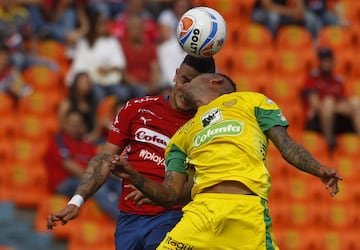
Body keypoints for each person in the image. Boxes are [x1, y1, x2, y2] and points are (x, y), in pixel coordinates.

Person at [107, 73, 342, 249]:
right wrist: (135, 176)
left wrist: (318, 169)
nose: (182, 83)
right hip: (200, 213)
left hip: (245, 212)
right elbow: (171, 194)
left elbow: (287, 145)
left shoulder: (251, 102)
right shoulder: (181, 135)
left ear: (215, 82)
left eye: (192, 79)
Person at [46, 55, 216, 249]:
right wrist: (76, 201)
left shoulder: (207, 126)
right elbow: (104, 159)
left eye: (195, 87)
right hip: (129, 219)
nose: (187, 91)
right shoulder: (137, 108)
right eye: (185, 81)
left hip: (173, 217)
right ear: (176, 75)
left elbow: (201, 183)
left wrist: (161, 193)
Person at [44, 108, 121, 219]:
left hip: (87, 177)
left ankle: (132, 216)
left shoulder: (86, 143)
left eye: (77, 124)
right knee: (97, 188)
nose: (74, 127)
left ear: (82, 126)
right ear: (65, 124)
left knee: (117, 184)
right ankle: (120, 218)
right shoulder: (58, 140)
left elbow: (98, 163)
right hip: (65, 182)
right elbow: (69, 166)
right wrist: (96, 179)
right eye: (71, 124)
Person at [301, 47, 360, 151]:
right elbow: (315, 104)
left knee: (356, 102)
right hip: (317, 120)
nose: (326, 63)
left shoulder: (338, 80)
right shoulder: (313, 77)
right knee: (328, 102)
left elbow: (345, 104)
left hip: (336, 117)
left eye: (328, 60)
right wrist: (331, 105)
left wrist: (334, 107)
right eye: (323, 60)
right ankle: (329, 140)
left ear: (333, 61)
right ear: (319, 62)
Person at [252, 0, 320, 39]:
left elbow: (300, 5)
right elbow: (267, 6)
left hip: (283, 12)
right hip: (260, 13)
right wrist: (290, 12)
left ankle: (312, 47)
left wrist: (298, 11)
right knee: (273, 17)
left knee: (310, 18)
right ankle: (270, 44)